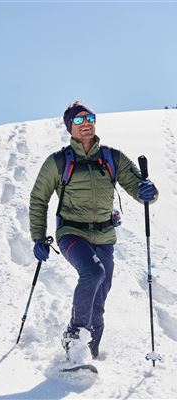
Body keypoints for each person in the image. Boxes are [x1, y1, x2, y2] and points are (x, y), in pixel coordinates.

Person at [29, 100, 158, 360]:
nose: (86, 123)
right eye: (78, 120)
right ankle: (74, 335)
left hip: (105, 236)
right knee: (93, 272)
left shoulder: (112, 157)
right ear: (70, 127)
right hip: (71, 234)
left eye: (90, 118)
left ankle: (90, 354)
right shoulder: (57, 162)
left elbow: (138, 188)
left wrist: (149, 192)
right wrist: (39, 238)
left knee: (99, 299)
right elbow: (38, 199)